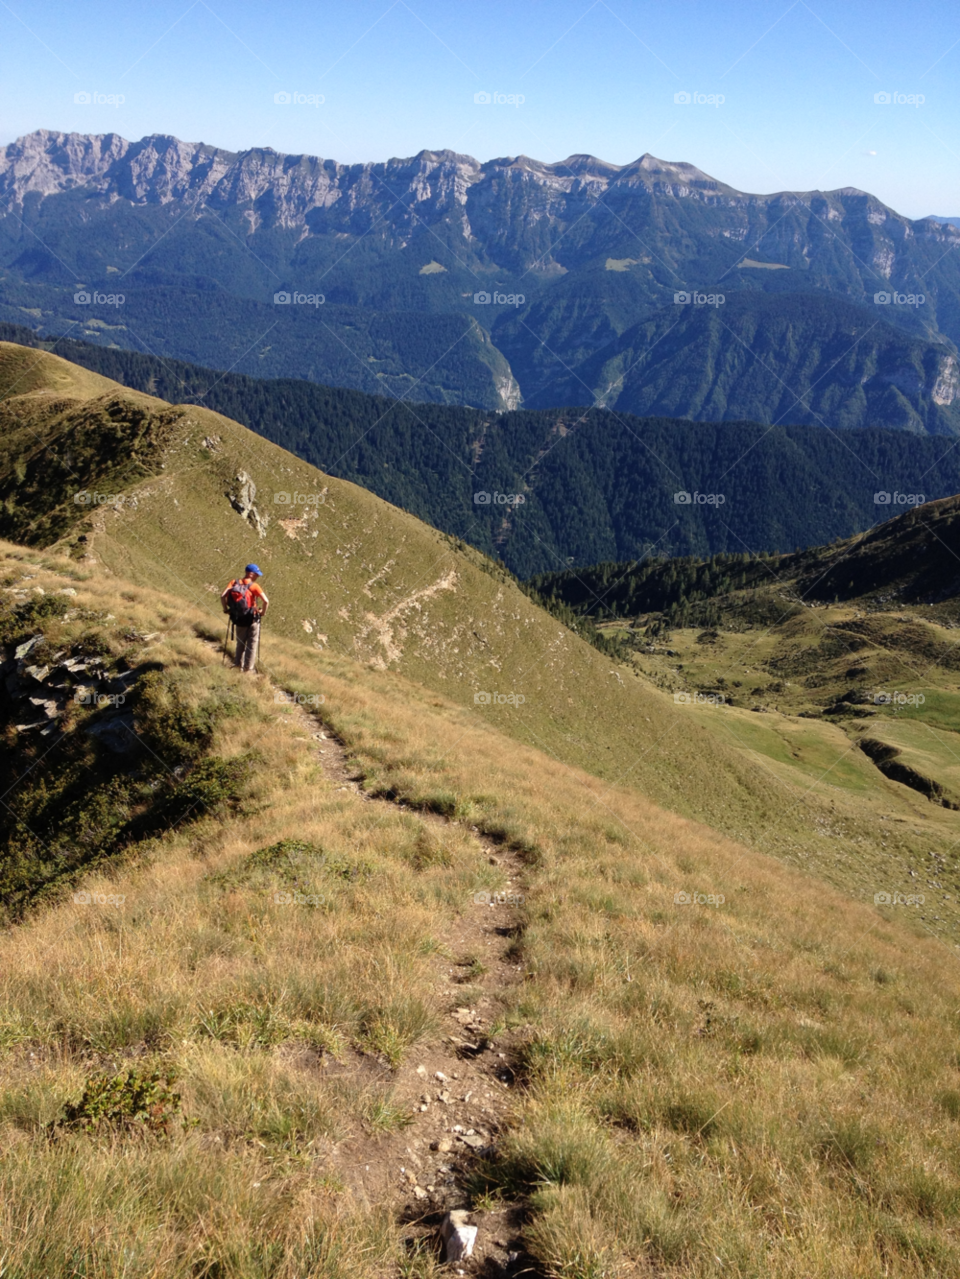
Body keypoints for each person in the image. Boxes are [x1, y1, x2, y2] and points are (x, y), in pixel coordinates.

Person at [221, 564, 269, 673]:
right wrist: (263, 613)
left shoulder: (234, 582)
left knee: (240, 642)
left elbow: (222, 596)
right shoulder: (254, 586)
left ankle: (237, 665)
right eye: (257, 574)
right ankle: (248, 669)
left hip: (238, 618)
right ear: (251, 574)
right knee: (252, 644)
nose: (257, 576)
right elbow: (266, 601)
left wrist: (226, 609)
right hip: (252, 618)